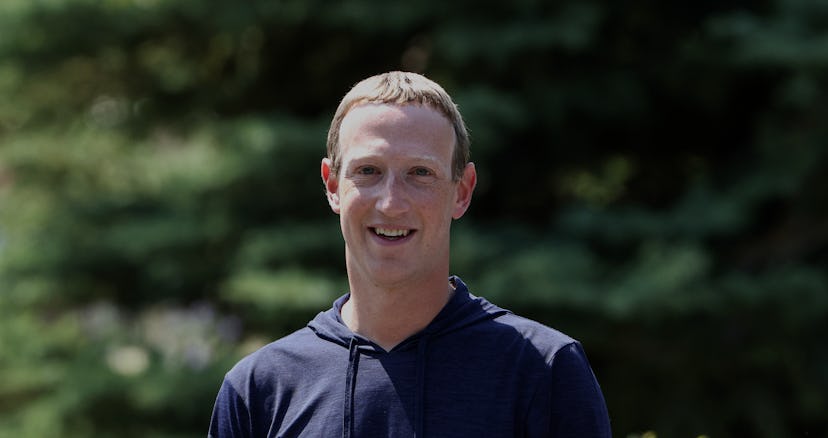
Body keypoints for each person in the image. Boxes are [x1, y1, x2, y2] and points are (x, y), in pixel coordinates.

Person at [209, 71, 611, 437]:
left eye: (420, 173)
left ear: (462, 191)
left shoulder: (543, 371)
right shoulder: (258, 390)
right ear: (332, 185)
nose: (391, 203)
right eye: (368, 171)